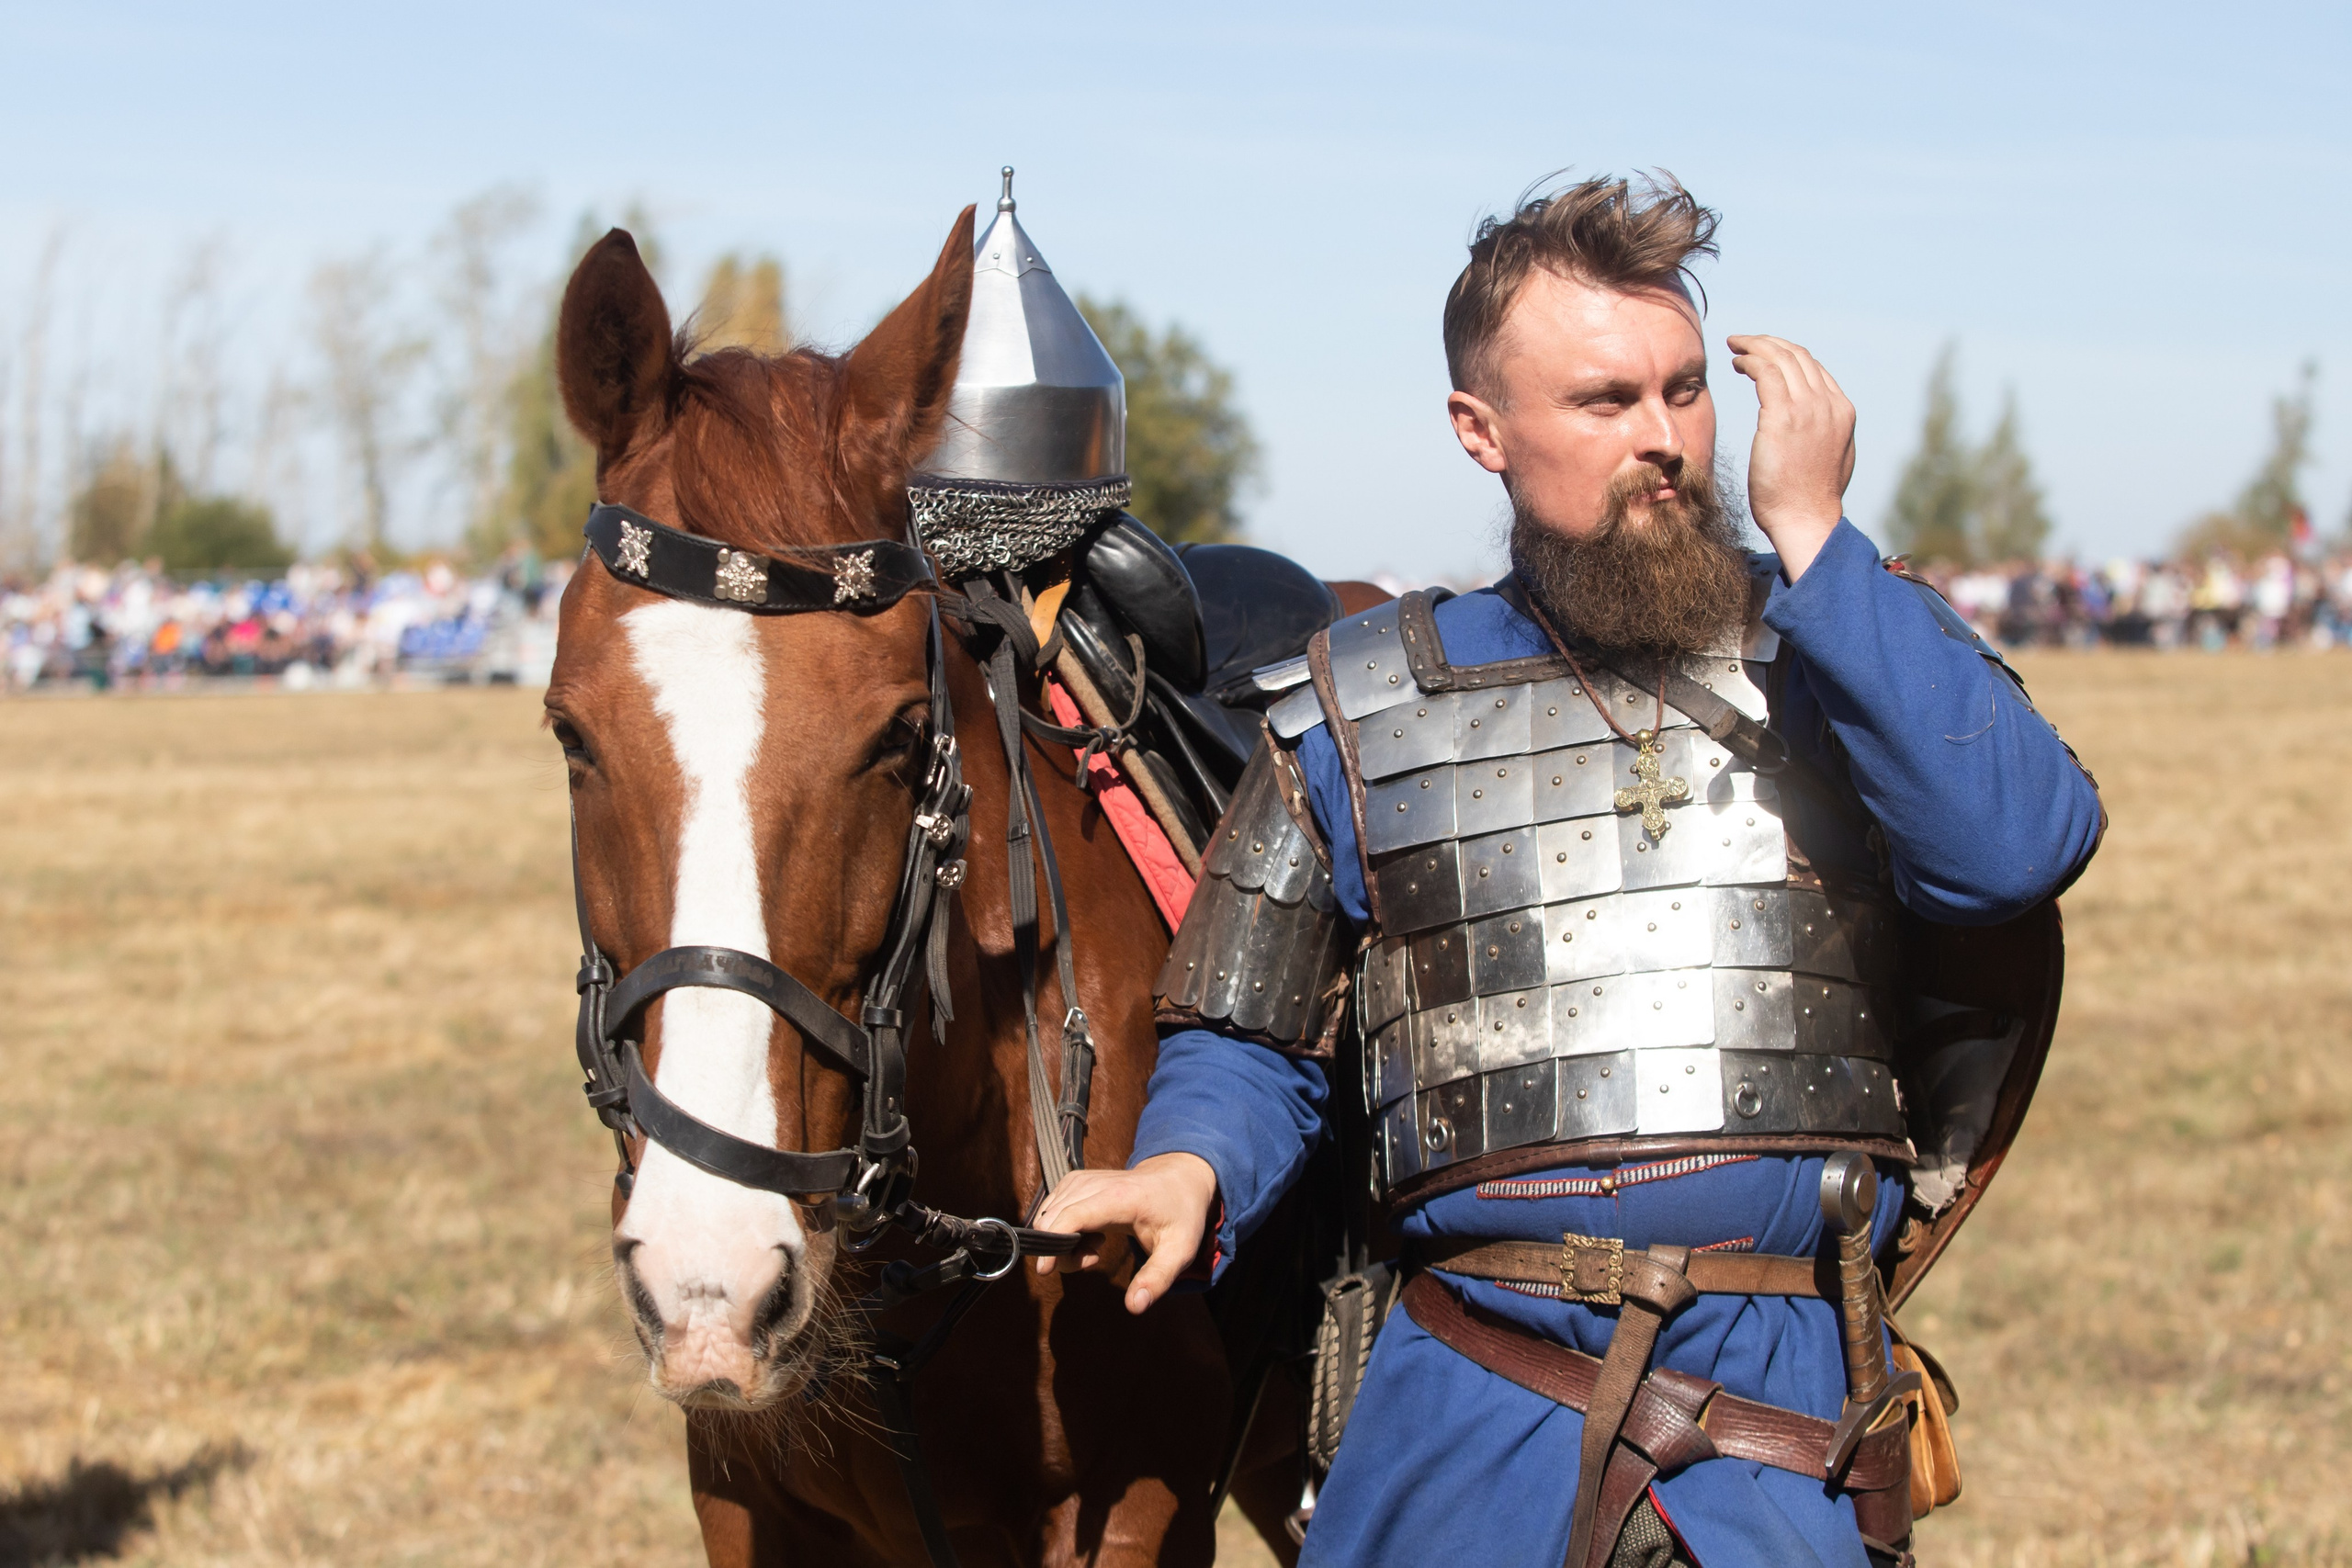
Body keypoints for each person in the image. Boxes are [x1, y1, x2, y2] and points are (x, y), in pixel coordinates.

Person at [1035, 173, 2104, 1567]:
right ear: (1483, 432)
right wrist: (1187, 1166)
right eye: (1606, 402)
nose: (1662, 440)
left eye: (1682, 392)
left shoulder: (1838, 647)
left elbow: (2015, 853)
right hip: (1470, 1402)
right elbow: (1251, 1032)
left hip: (1774, 1413)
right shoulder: (1362, 706)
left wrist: (1823, 544)